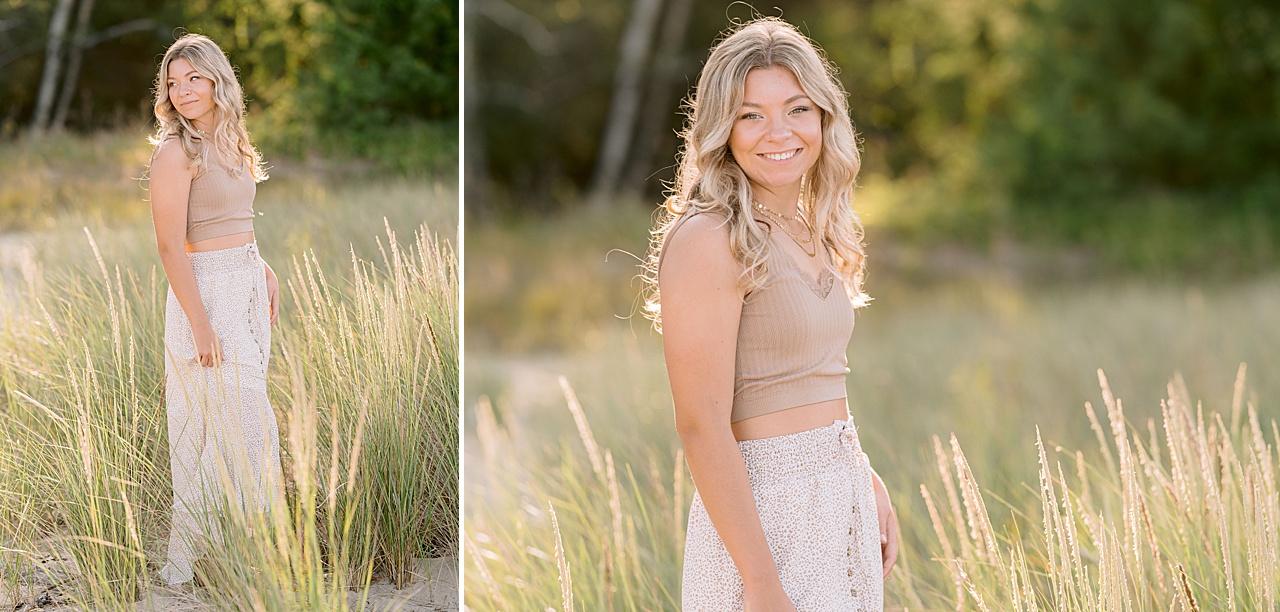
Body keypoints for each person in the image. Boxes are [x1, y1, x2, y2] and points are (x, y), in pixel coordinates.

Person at [644, 18, 898, 610]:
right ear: (722, 129)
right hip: (765, 520)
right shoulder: (710, 239)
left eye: (797, 109)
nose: (777, 132)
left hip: (840, 500)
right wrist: (759, 581)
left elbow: (817, 381)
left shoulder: (813, 227)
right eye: (750, 114)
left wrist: (862, 475)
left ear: (823, 118)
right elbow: (700, 424)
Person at [147, 33, 282, 586]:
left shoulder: (229, 141)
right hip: (204, 298)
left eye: (192, 79)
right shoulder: (174, 152)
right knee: (221, 422)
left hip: (246, 286)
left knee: (246, 421)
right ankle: (198, 558)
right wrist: (200, 323)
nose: (182, 92)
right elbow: (169, 244)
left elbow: (233, 221)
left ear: (217, 80)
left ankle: (251, 549)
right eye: (172, 84)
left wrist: (263, 268)